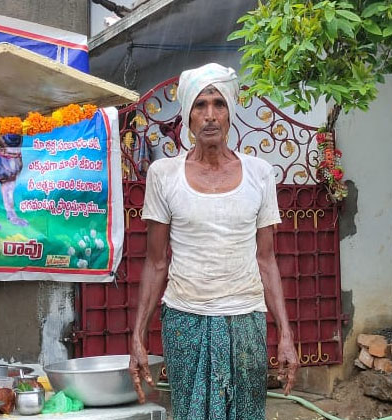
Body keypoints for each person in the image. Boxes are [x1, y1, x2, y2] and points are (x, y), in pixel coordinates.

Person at [128, 63, 299, 419]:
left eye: (218, 104)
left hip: (245, 320)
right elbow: (156, 261)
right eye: (200, 105)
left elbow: (267, 261)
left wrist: (285, 333)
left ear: (230, 113)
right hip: (185, 318)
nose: (210, 115)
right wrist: (138, 336)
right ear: (187, 114)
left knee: (246, 413)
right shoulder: (164, 175)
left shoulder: (259, 173)